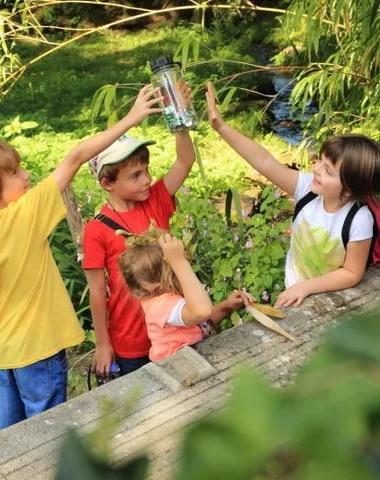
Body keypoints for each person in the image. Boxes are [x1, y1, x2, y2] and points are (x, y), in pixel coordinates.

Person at [0, 86, 163, 430]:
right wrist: (131, 119)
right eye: (15, 173)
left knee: (10, 439)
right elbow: (75, 158)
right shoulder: (22, 216)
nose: (26, 175)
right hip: (38, 349)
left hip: (4, 356)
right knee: (49, 435)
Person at [206, 81, 380, 308]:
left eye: (327, 170)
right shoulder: (308, 189)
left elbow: (351, 273)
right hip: (294, 293)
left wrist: (306, 287)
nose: (316, 168)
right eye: (320, 160)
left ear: (349, 188)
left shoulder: (359, 219)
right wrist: (220, 126)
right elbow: (264, 161)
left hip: (332, 300)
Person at [82, 84, 196, 377]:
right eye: (135, 175)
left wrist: (180, 119)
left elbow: (185, 161)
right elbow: (97, 291)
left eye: (147, 170)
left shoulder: (156, 198)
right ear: (108, 184)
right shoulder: (96, 230)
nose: (147, 179)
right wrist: (103, 344)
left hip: (172, 328)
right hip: (131, 341)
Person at [119, 233, 252, 362]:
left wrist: (226, 307)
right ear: (170, 272)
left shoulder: (168, 297)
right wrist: (179, 262)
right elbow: (202, 312)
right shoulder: (161, 305)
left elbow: (201, 323)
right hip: (180, 370)